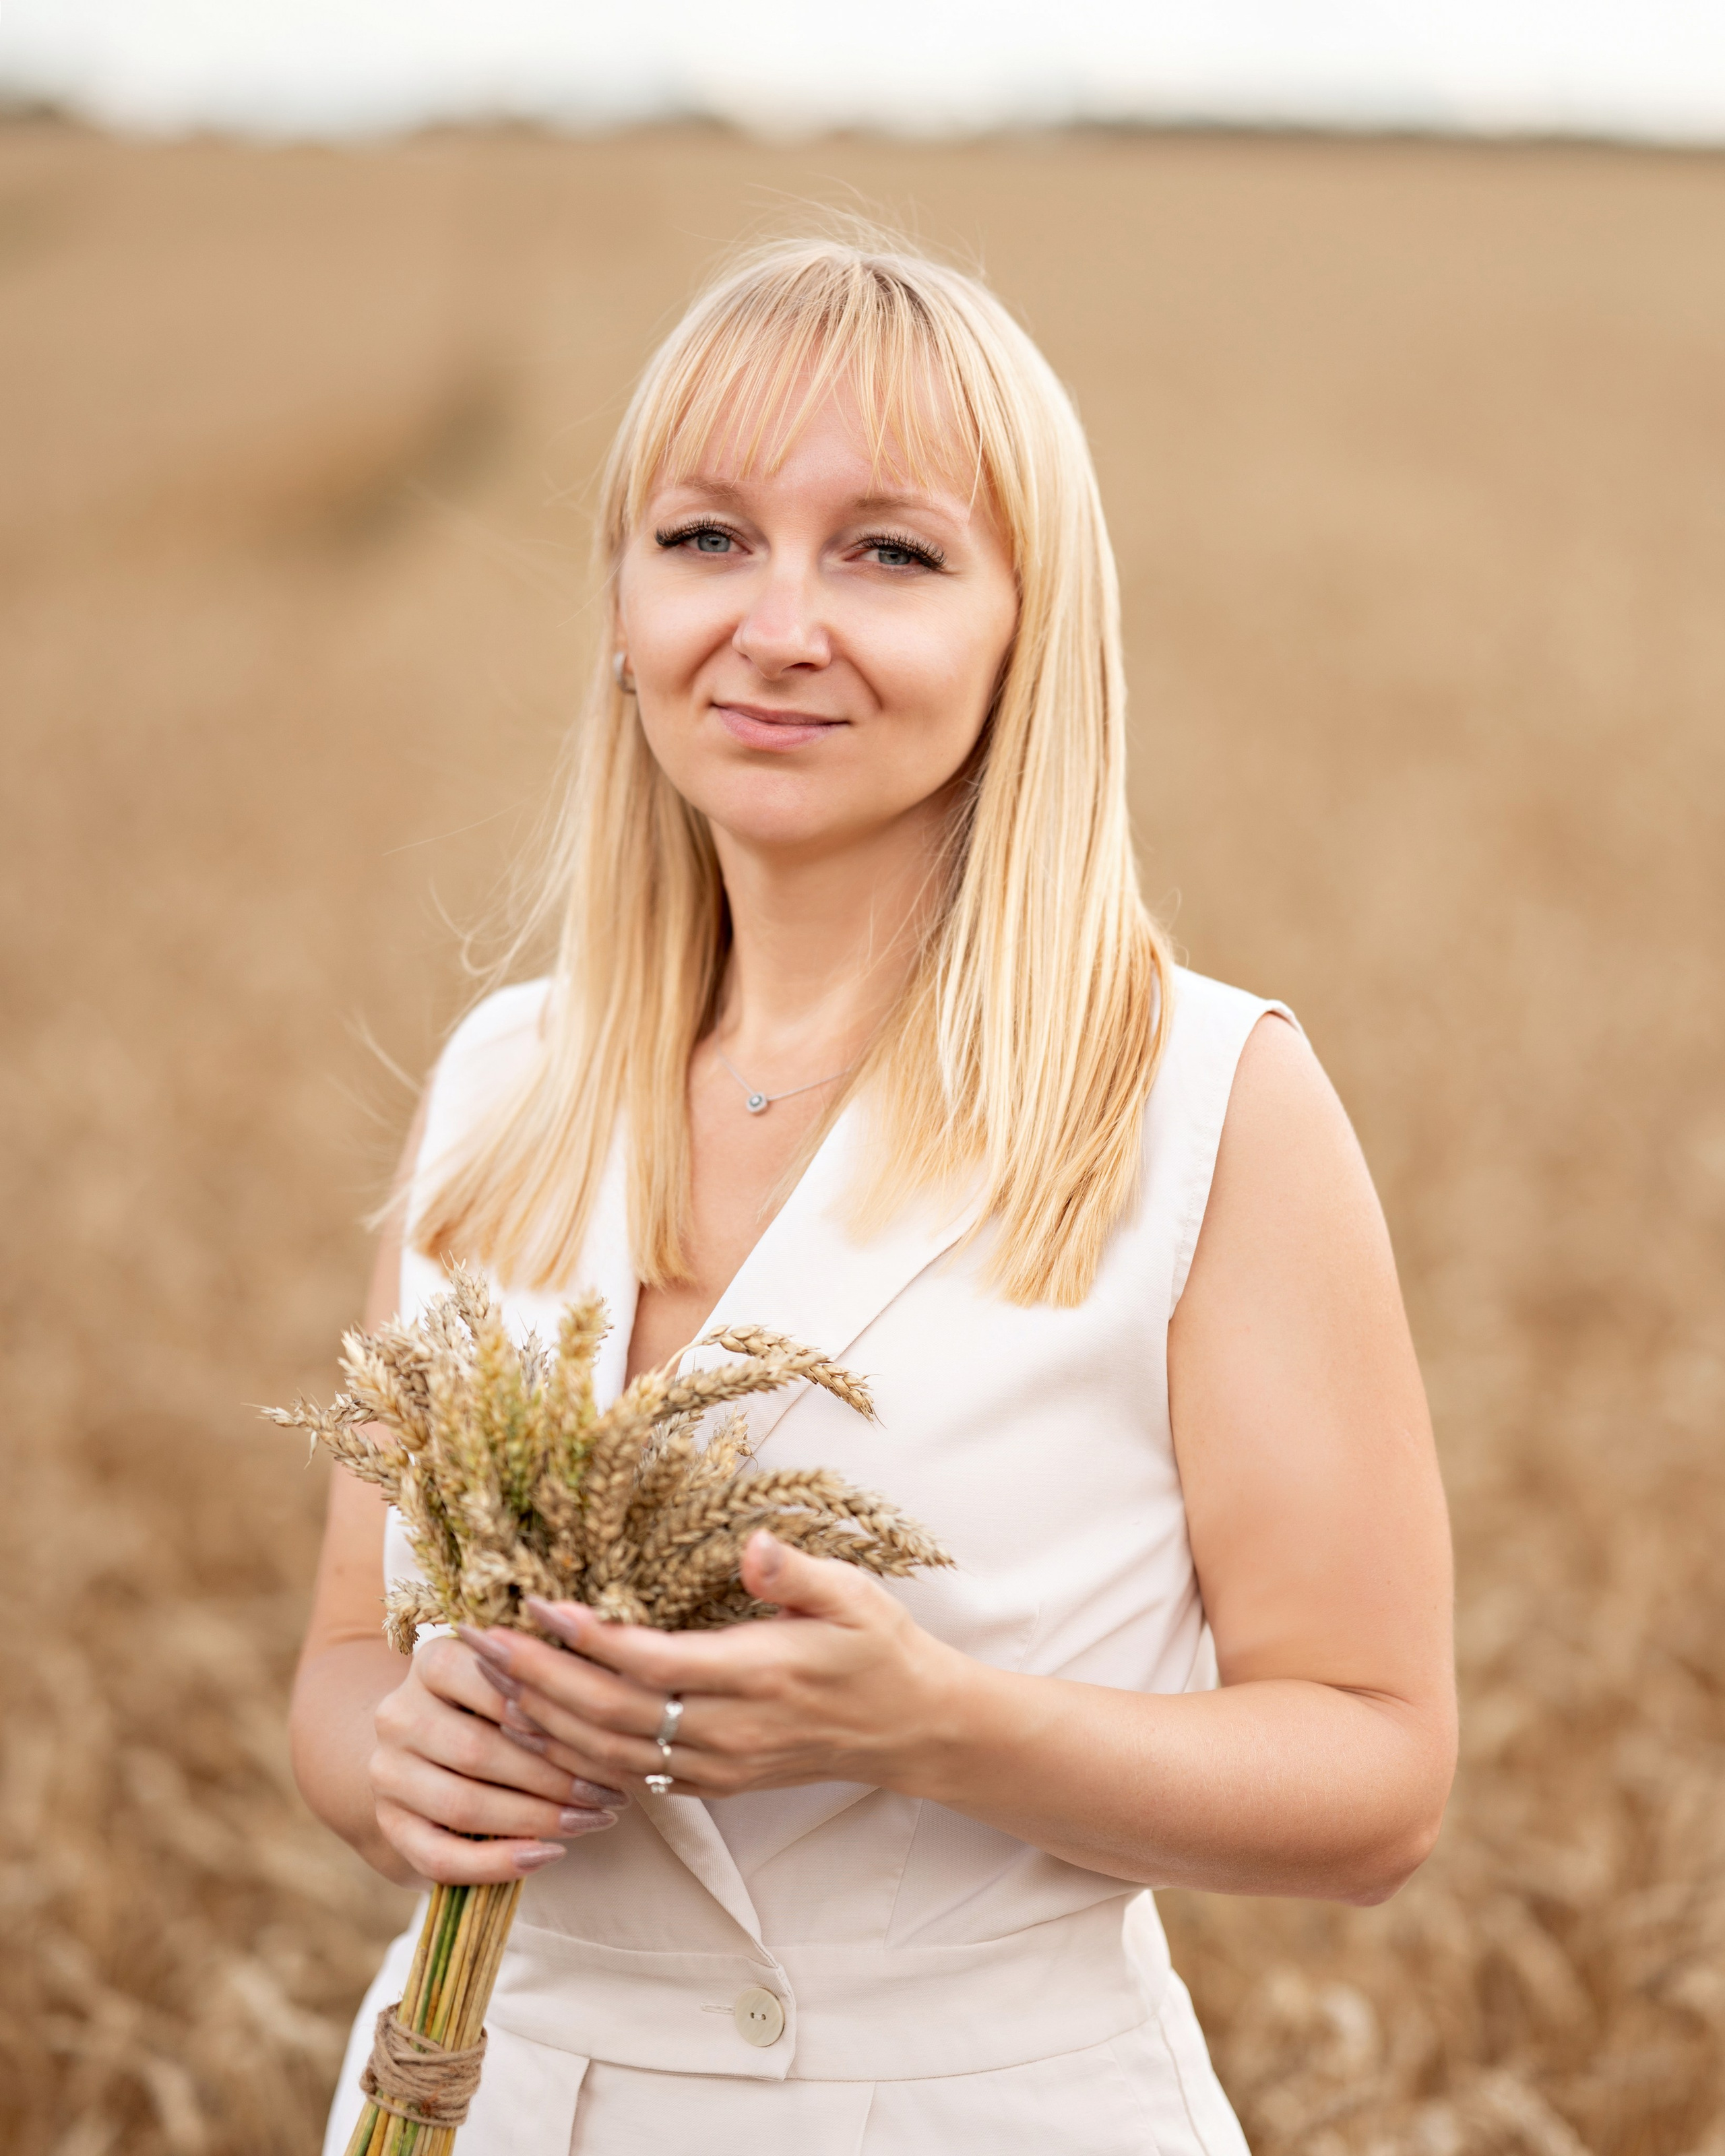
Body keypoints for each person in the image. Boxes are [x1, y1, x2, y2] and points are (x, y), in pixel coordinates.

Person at [293, 231, 1456, 2156]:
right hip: (476, 2102)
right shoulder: (504, 1082)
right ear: (618, 598)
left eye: (889, 553)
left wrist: (928, 1726)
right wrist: (388, 1766)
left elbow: (1380, 1781)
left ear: (1028, 627)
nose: (777, 624)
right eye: (707, 538)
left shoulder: (1196, 1100)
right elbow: (348, 1658)